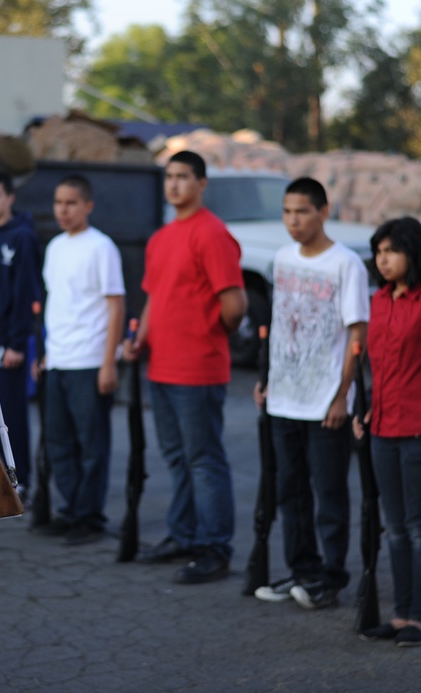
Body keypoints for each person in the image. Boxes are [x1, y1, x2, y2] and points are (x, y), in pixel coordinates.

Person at [125, 150, 247, 583]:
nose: (174, 184)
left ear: (202, 184)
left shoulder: (212, 234)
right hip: (161, 367)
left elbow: (236, 305)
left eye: (184, 177)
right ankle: (184, 535)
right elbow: (155, 296)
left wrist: (208, 333)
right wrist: (140, 340)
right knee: (178, 458)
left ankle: (215, 548)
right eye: (170, 176)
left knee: (204, 460)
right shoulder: (162, 237)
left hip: (197, 370)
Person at [252, 177, 369, 609]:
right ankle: (301, 570)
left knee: (329, 492)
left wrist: (342, 395)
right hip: (284, 397)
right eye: (286, 212)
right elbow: (280, 325)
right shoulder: (283, 259)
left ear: (324, 211)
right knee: (290, 490)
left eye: (301, 211)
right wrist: (267, 378)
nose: (293, 220)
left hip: (325, 402)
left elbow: (358, 331)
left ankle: (331, 578)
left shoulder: (346, 264)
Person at [353, 217, 421, 647]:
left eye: (391, 251)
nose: (383, 260)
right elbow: (380, 368)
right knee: (394, 526)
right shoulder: (379, 300)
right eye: (378, 252)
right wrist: (367, 412)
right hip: (383, 429)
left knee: (420, 525)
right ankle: (400, 616)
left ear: (412, 253)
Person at [34, 175, 125, 545]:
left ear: (88, 205)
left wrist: (109, 362)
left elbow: (116, 304)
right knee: (58, 442)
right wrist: (45, 354)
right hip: (58, 360)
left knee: (91, 445)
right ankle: (70, 509)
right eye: (58, 203)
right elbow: (55, 304)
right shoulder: (55, 247)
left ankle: (89, 517)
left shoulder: (102, 247)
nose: (63, 210)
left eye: (71, 203)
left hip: (90, 360)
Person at [0, 171, 42, 501]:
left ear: (10, 198)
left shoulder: (23, 237)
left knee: (11, 415)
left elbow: (26, 292)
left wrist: (18, 342)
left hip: (9, 345)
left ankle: (21, 481)